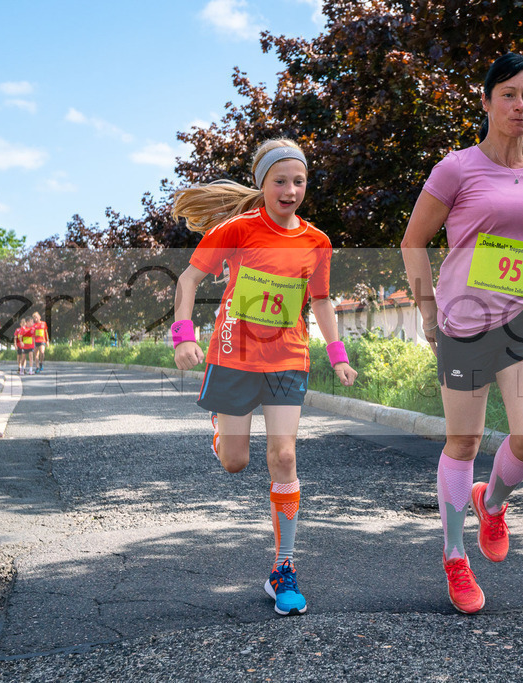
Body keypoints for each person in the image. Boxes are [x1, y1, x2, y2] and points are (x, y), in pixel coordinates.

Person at [401, 53, 523, 614]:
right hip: (465, 321)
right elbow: (413, 241)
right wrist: (427, 311)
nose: (521, 106)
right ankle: (454, 556)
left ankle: (491, 503)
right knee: (465, 442)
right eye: (509, 95)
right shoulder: (457, 169)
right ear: (487, 100)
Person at [171, 138, 358, 617]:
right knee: (236, 462)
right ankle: (222, 430)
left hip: (287, 358)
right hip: (233, 354)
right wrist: (183, 335)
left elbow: (319, 301)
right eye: (281, 180)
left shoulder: (317, 242)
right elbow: (188, 280)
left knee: (284, 455)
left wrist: (336, 355)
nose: (291, 189)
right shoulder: (237, 230)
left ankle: (284, 567)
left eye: (299, 181)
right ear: (263, 184)